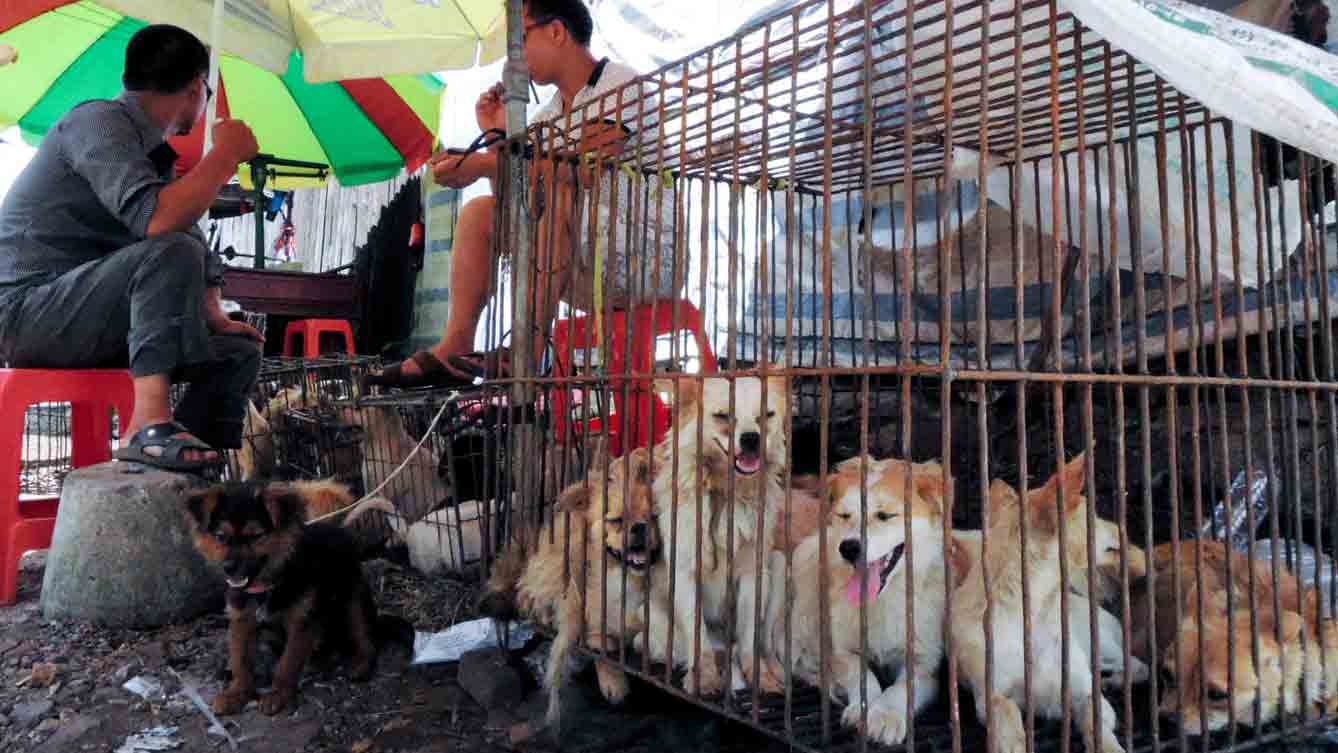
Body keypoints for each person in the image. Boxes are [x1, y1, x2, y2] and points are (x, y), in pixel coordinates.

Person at [367, 0, 680, 389]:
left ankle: (527, 350)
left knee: (557, 196)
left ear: (556, 31)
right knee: (481, 212)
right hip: (579, 262)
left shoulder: (620, 83)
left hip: (641, 262)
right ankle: (455, 346)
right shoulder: (548, 115)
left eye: (521, 37)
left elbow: (580, 170)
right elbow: (513, 198)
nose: (515, 56)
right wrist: (499, 137)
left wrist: (484, 163)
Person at [0, 24, 264, 473]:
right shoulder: (97, 122)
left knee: (237, 353)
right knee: (169, 247)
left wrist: (214, 313)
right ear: (198, 86)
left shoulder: (148, 153)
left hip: (85, 317)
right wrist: (223, 157)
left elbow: (191, 235)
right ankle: (150, 425)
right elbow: (158, 222)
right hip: (27, 315)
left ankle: (196, 474)